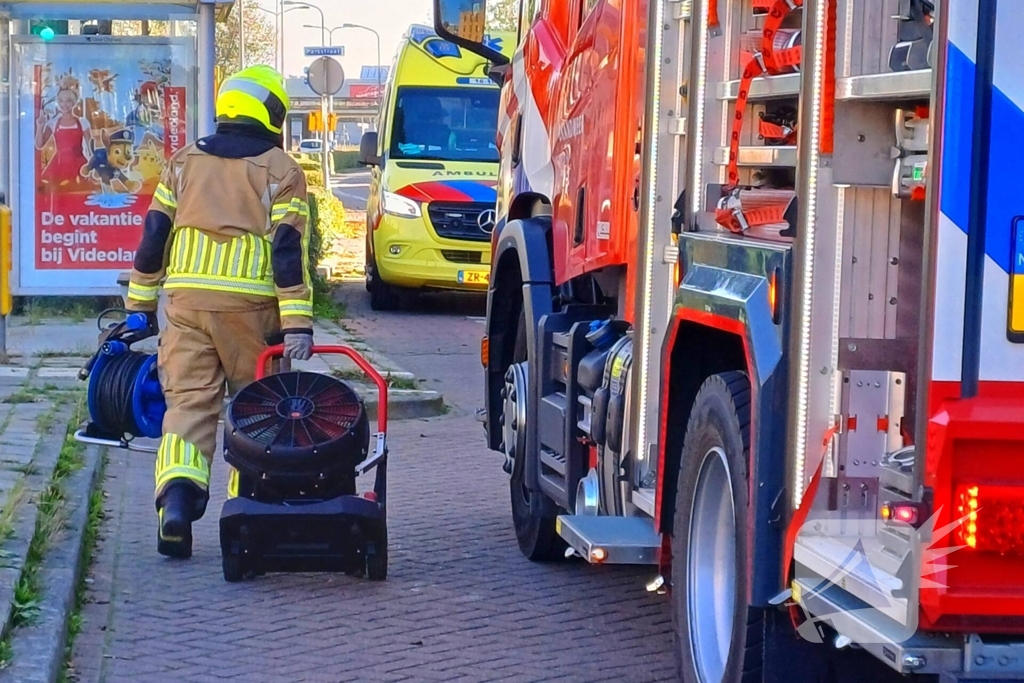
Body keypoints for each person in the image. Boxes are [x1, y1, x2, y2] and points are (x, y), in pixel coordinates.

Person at [124, 65, 314, 559]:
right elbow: (287, 251)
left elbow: (153, 236)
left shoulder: (183, 161)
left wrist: (140, 306)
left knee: (188, 406)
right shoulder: (282, 170)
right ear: (273, 112)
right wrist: (297, 322)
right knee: (258, 409)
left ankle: (176, 505)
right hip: (250, 311)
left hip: (185, 306)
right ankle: (247, 516)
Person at [34, 73, 92, 188]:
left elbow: (91, 148)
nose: (64, 105)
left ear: (74, 102)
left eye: (68, 101)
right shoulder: (53, 123)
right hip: (58, 166)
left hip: (79, 165)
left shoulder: (83, 122)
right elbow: (39, 145)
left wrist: (92, 166)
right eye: (61, 101)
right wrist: (40, 126)